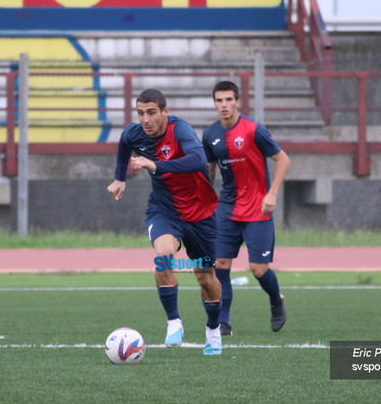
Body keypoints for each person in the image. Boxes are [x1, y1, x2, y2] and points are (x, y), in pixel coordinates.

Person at [107, 89, 223, 355]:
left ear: (165, 112)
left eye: (151, 112)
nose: (145, 119)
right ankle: (173, 322)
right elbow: (125, 142)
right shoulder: (135, 133)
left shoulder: (180, 130)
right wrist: (120, 178)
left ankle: (214, 330)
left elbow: (197, 159)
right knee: (163, 256)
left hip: (200, 214)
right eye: (140, 113)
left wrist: (156, 165)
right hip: (164, 211)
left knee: (206, 278)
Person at [202, 80, 291, 336]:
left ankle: (276, 301)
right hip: (227, 210)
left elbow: (283, 160)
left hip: (257, 209)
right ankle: (224, 322)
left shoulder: (254, 130)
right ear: (215, 104)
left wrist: (272, 194)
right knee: (220, 264)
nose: (224, 105)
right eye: (219, 100)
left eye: (229, 99)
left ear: (238, 101)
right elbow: (209, 171)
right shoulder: (209, 135)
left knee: (258, 269)